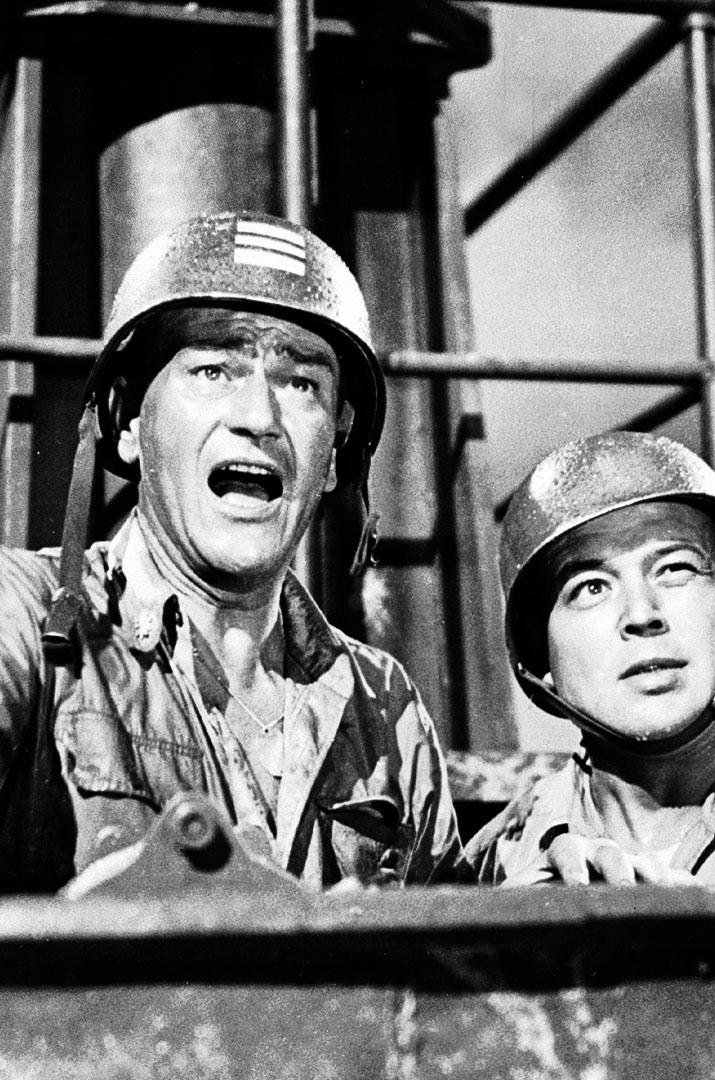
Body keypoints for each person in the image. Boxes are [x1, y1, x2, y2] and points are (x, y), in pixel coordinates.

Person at [0, 211, 462, 893]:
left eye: (301, 383)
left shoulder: (384, 707)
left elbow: (459, 941)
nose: (259, 418)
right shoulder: (27, 618)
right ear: (128, 423)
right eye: (214, 369)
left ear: (334, 456)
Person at [466, 430, 715, 886]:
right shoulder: (501, 860)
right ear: (540, 652)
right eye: (591, 587)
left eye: (675, 568)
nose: (642, 615)